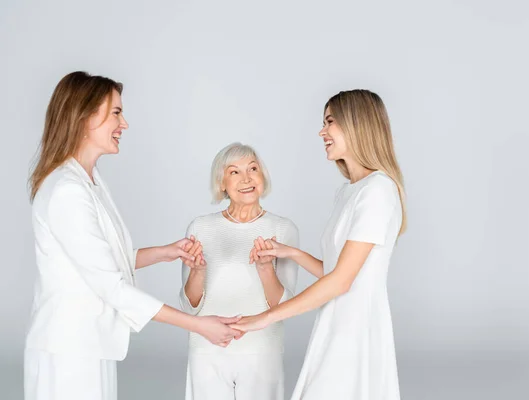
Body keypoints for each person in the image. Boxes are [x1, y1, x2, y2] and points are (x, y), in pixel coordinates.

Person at [25, 71, 241, 400]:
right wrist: (198, 325)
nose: (124, 124)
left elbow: (103, 260)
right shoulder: (67, 190)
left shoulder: (89, 179)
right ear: (84, 116)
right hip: (68, 350)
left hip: (89, 342)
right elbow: (110, 285)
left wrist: (166, 252)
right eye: (116, 113)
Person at [232, 90, 407, 399]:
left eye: (330, 122)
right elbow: (338, 270)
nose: (321, 131)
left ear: (357, 124)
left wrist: (266, 317)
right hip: (336, 320)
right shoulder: (349, 191)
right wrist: (292, 253)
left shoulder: (378, 190)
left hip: (356, 329)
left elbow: (341, 281)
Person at [180, 142, 299, 400]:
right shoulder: (200, 227)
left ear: (263, 177)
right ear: (221, 183)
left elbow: (285, 306)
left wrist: (266, 270)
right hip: (207, 349)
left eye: (253, 169)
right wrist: (198, 272)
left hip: (261, 350)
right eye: (234, 172)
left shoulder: (283, 229)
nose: (246, 178)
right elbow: (189, 306)